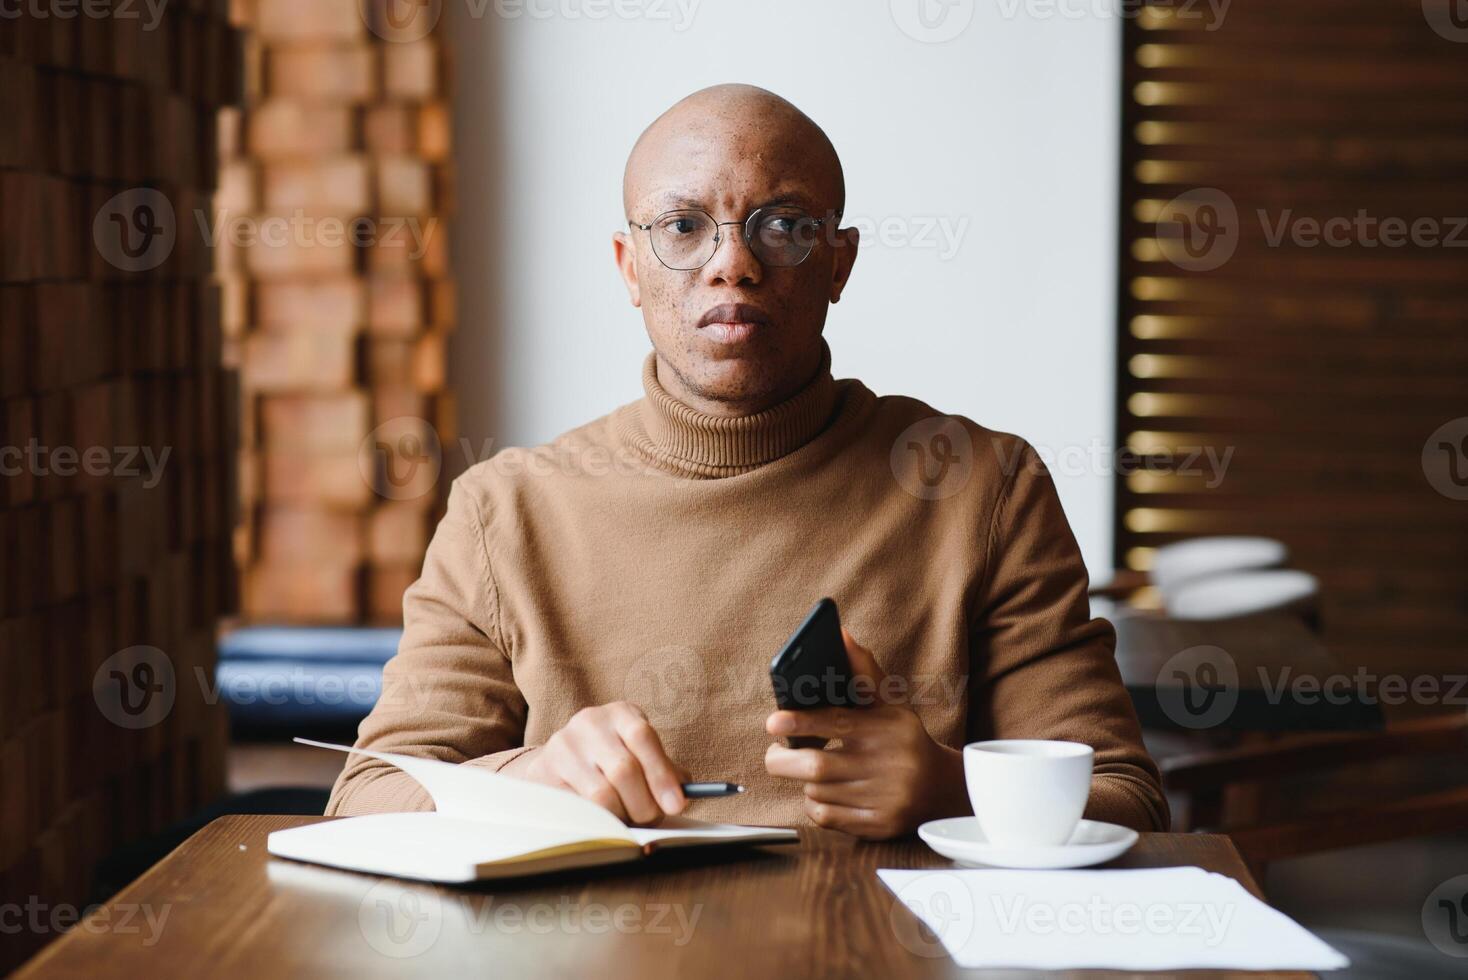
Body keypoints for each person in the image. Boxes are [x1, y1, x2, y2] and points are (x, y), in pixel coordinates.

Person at [328, 84, 1168, 839]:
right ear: (629, 268)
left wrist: (948, 789)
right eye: (683, 227)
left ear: (839, 263)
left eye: (785, 225)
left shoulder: (983, 487)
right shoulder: (504, 510)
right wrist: (533, 778)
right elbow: (366, 798)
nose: (733, 262)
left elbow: (1125, 797)